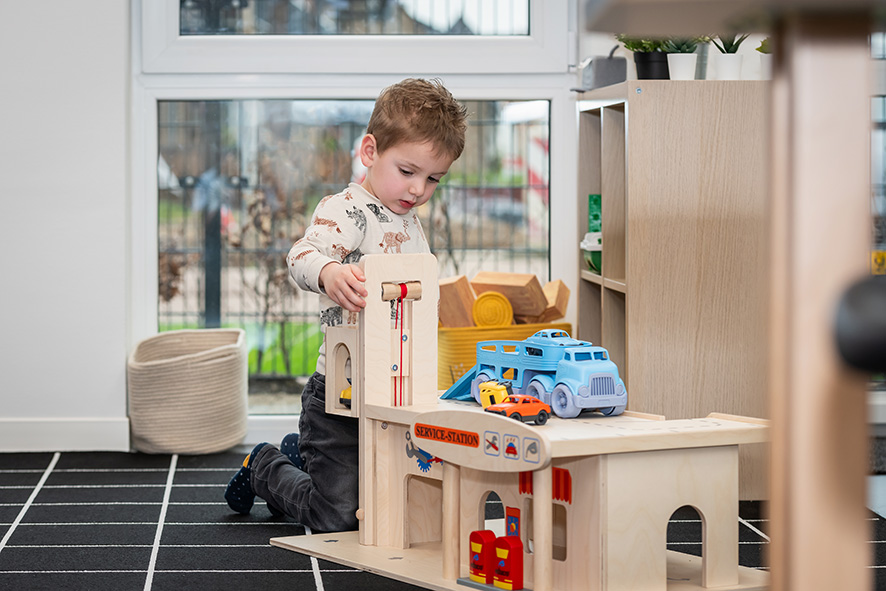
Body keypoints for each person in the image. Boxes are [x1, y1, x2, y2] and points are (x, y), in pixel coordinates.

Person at [225, 78, 468, 532]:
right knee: (335, 518)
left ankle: (303, 452)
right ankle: (264, 464)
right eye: (408, 170)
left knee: (387, 500)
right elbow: (300, 255)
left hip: (392, 389)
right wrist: (329, 272)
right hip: (338, 394)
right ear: (370, 151)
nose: (418, 189)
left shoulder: (408, 221)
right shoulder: (348, 210)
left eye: (433, 178)